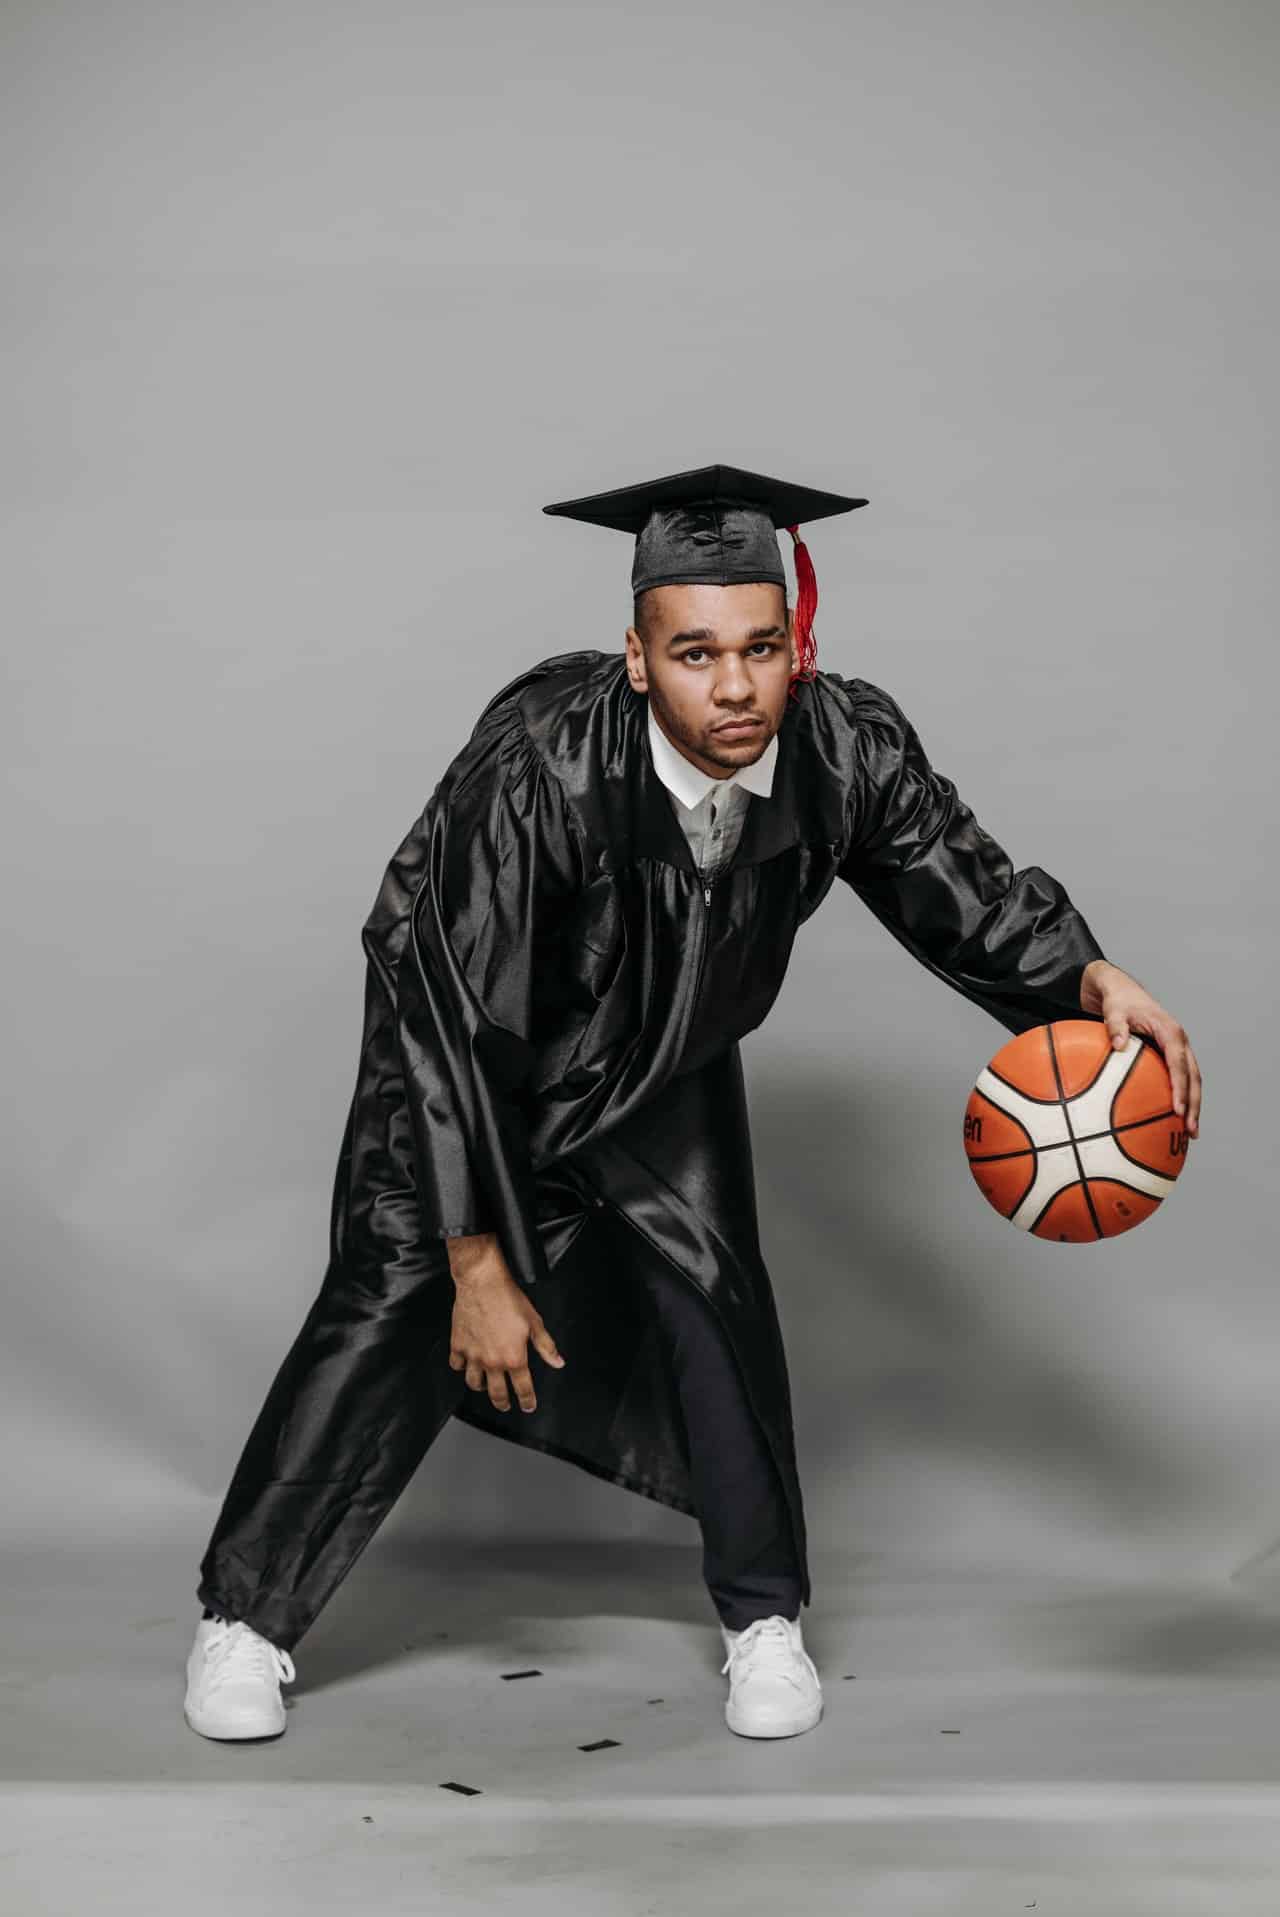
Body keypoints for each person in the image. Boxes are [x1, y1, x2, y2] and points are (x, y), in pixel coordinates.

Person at [184, 463, 1203, 1746]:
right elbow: (448, 1013)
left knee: (715, 1302)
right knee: (392, 1307)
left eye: (762, 649)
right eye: (695, 653)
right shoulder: (536, 775)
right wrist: (477, 1257)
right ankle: (244, 1621)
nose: (733, 687)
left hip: (661, 1065)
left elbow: (957, 876)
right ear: (636, 658)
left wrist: (1088, 976)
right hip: (474, 1074)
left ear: (797, 646)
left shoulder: (841, 743)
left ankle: (762, 1621)